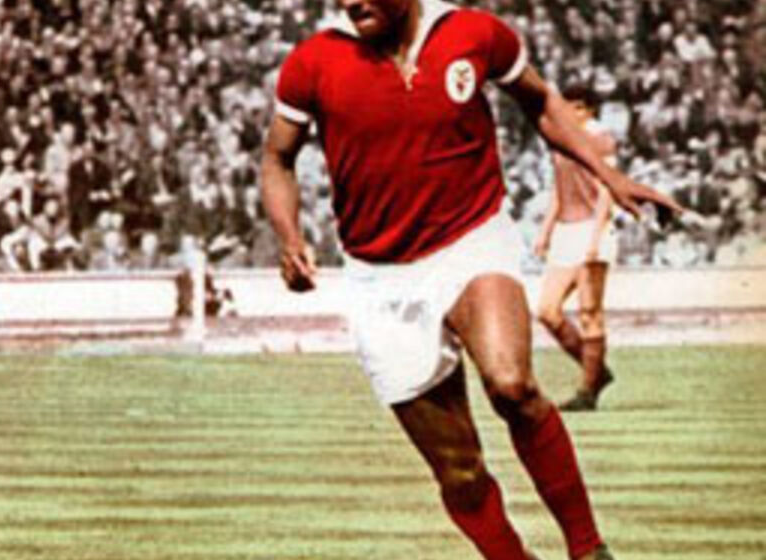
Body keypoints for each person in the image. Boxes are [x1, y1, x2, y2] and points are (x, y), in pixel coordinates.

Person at [260, 2, 681, 560]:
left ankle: (588, 549)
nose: (353, 1)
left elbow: (541, 103)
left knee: (512, 385)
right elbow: (277, 158)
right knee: (459, 471)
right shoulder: (313, 61)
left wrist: (608, 174)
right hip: (380, 277)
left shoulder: (472, 32)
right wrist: (289, 237)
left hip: (471, 237)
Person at [534, 85, 619, 411]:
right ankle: (596, 371)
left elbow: (607, 189)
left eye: (574, 107)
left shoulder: (600, 139)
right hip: (567, 229)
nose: (567, 112)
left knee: (589, 311)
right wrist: (545, 231)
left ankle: (587, 391)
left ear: (587, 110)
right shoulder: (560, 138)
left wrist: (596, 237)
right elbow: (559, 189)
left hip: (592, 227)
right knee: (547, 310)